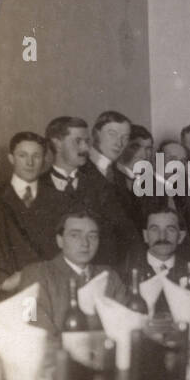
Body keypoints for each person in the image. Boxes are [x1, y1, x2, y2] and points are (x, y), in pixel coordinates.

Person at [6, 208, 125, 333]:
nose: (85, 243)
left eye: (92, 236)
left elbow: (126, 322)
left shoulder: (109, 276)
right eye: (75, 235)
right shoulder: (35, 274)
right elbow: (31, 324)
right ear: (60, 241)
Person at [73, 111, 142, 270]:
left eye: (125, 137)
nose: (119, 142)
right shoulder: (78, 169)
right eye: (113, 134)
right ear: (96, 134)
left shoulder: (118, 175)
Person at [0, 131, 67, 267]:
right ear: (11, 158)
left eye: (36, 156)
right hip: (6, 281)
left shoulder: (60, 199)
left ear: (44, 160)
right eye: (22, 155)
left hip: (46, 279)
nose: (29, 162)